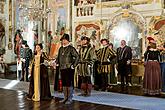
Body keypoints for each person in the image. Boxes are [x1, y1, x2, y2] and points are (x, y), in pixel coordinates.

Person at [56, 34, 79, 104]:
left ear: (68, 40)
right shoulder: (60, 48)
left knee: (69, 83)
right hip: (62, 68)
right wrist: (57, 62)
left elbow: (77, 57)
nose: (63, 41)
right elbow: (58, 57)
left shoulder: (71, 48)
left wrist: (73, 65)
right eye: (62, 40)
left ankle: (70, 98)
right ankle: (65, 97)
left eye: (65, 40)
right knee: (64, 83)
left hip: (69, 68)